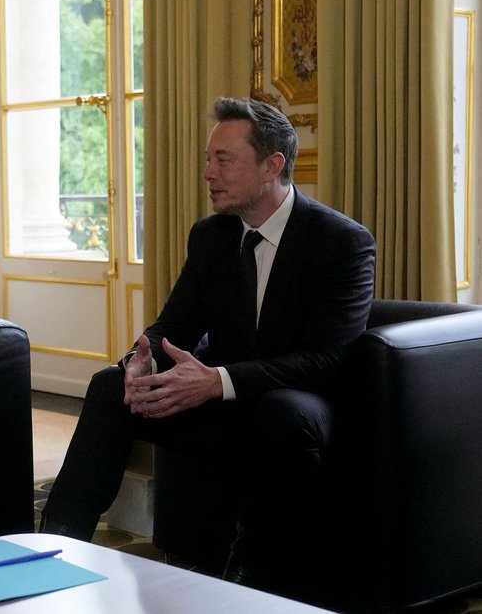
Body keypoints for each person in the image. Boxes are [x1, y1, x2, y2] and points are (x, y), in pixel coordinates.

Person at [40, 97, 376, 598]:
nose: (207, 173)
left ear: (272, 166)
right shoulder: (212, 236)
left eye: (223, 160)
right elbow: (176, 322)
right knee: (112, 387)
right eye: (207, 158)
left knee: (281, 413)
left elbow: (327, 361)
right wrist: (142, 356)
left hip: (303, 404)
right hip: (223, 400)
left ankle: (246, 579)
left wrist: (217, 381)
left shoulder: (341, 242)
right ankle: (53, 550)